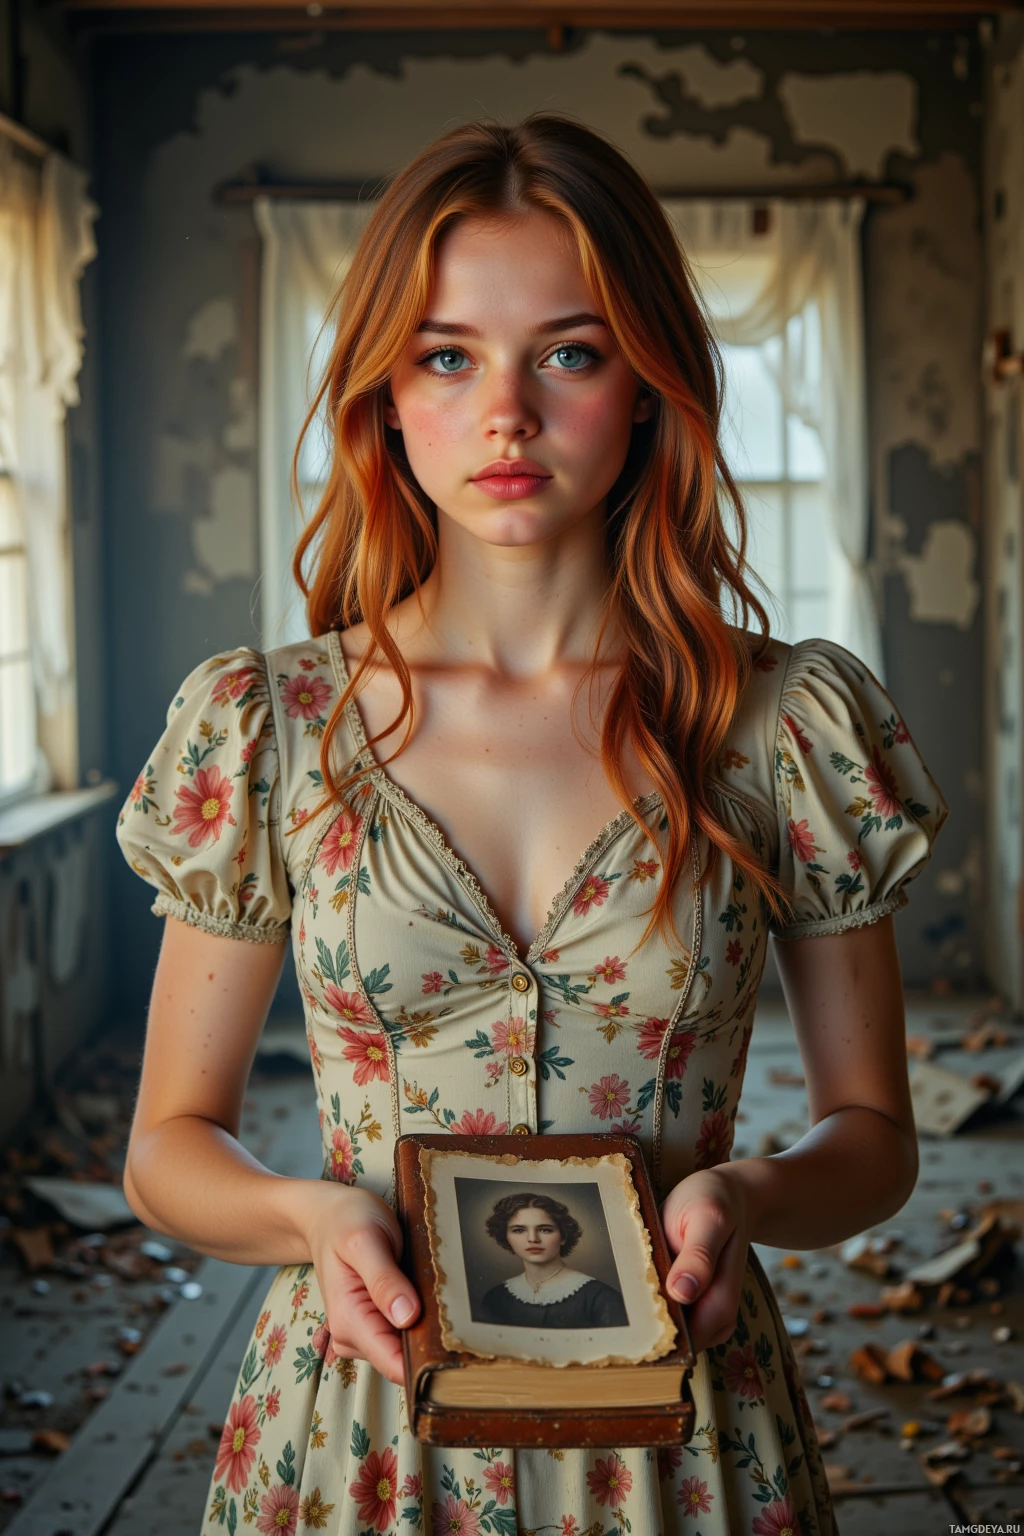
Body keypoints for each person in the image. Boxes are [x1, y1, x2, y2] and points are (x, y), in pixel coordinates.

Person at [116, 113, 947, 1536]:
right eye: (447, 356)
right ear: (385, 394)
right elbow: (167, 1145)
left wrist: (747, 1196)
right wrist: (310, 1218)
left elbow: (873, 1136)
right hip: (365, 1421)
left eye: (569, 352)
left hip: (686, 1432)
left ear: (649, 385)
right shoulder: (269, 727)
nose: (507, 413)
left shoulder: (785, 723)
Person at [476, 1191, 628, 1329]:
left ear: (563, 1237)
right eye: (519, 1230)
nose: (532, 1239)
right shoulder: (496, 1297)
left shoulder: (601, 1298)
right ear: (506, 1237)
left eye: (545, 1230)